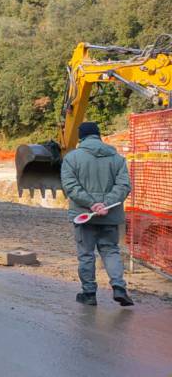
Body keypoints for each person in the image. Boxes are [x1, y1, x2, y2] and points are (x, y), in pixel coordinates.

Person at [60, 122, 133, 307]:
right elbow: (124, 185)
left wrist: (92, 204)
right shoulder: (117, 158)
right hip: (110, 214)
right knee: (110, 251)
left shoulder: (72, 158)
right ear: (99, 136)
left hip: (84, 215)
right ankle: (118, 287)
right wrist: (106, 204)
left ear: (80, 137)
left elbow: (71, 187)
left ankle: (89, 293)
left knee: (86, 255)